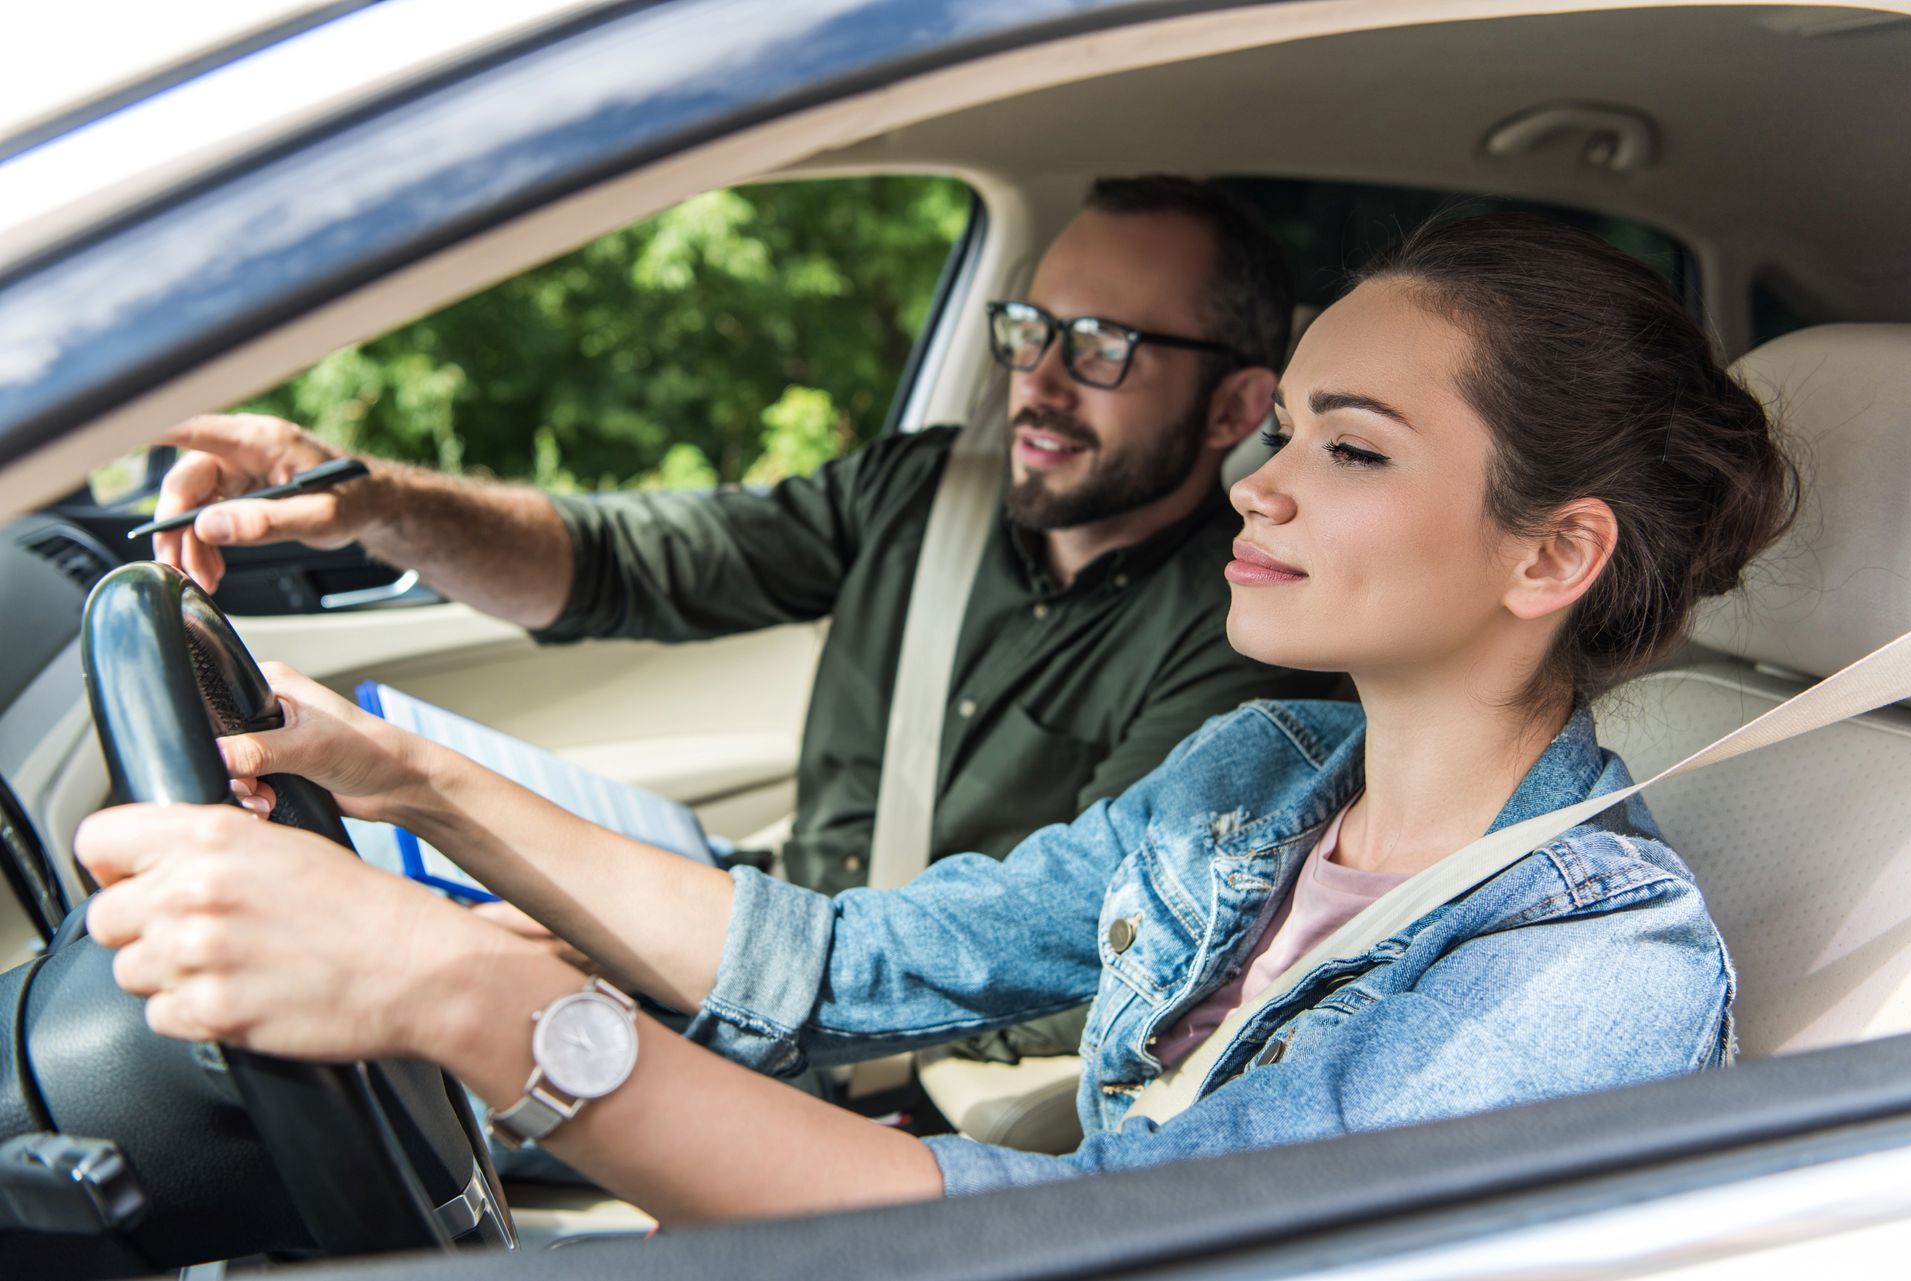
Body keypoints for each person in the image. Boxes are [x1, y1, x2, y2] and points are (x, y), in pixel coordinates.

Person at [78, 215, 1798, 1223]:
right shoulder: (1258, 784)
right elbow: (834, 961)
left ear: (1554, 553)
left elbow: (1090, 1254)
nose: (1259, 487)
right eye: (1288, 434)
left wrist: (473, 1000)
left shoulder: (1586, 985)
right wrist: (410, 780)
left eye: (1348, 447)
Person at [150, 175, 1330, 919]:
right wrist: (377, 504)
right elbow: (625, 562)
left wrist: (666, 967)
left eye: (1105, 346)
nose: (1039, 382)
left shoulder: (1249, 632)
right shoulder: (920, 493)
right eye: (1030, 331)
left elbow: (1074, 947)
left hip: (900, 1032)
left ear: (1234, 411)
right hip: (772, 915)